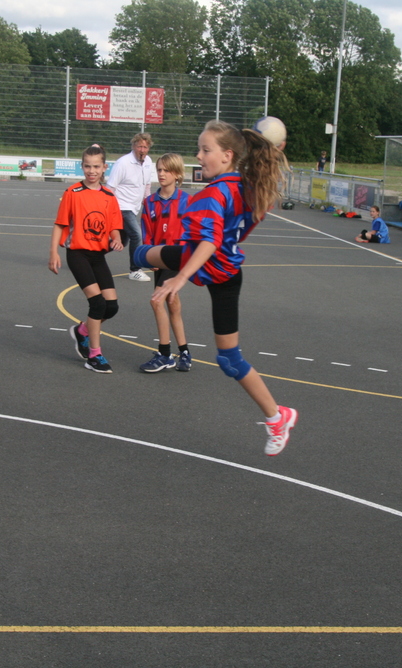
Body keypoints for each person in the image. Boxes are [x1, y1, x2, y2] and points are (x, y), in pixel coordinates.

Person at [133, 120, 298, 456]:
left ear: (227, 155)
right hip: (222, 268)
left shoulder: (215, 194)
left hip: (209, 267)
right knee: (140, 254)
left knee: (229, 359)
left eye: (205, 150)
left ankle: (277, 416)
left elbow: (209, 241)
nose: (198, 156)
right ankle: (277, 416)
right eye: (199, 149)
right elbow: (236, 231)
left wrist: (180, 278)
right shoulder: (250, 188)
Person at [49, 144, 125, 373]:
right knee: (98, 304)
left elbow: (114, 226)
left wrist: (116, 238)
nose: (92, 171)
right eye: (87, 166)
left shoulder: (109, 196)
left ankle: (81, 331)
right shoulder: (72, 193)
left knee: (111, 307)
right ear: (82, 166)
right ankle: (94, 355)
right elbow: (60, 224)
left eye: (96, 167)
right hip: (78, 254)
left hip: (98, 256)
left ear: (104, 168)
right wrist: (53, 252)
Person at [139, 153, 193, 373]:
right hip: (159, 258)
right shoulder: (150, 202)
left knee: (157, 300)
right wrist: (148, 254)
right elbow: (147, 232)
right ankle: (185, 351)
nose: (161, 174)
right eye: (159, 170)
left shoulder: (187, 202)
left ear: (177, 174)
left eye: (166, 170)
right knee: (172, 303)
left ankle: (164, 354)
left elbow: (193, 232)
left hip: (178, 258)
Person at [108, 133, 155, 282]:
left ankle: (90, 253)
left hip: (134, 208)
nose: (142, 150)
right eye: (140, 146)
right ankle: (135, 270)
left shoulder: (148, 162)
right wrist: (109, 210)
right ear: (133, 146)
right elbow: (110, 188)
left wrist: (147, 201)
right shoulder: (123, 163)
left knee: (122, 241)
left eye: (145, 147)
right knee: (137, 235)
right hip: (121, 207)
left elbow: (147, 184)